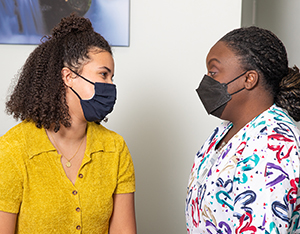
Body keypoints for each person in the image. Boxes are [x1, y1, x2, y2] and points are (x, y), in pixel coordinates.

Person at [0, 14, 136, 234]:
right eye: (103, 75)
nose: (110, 85)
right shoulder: (12, 150)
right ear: (68, 77)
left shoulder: (116, 148)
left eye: (112, 77)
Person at [185, 26, 300, 233]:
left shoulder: (273, 145)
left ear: (249, 79)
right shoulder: (224, 131)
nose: (206, 81)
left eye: (213, 72)